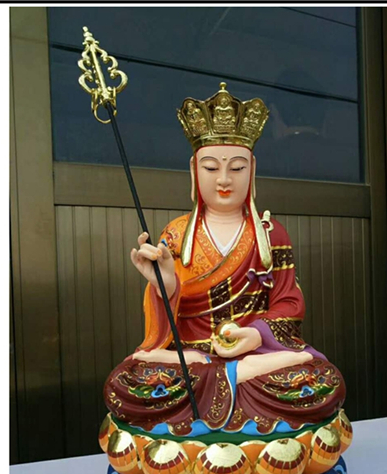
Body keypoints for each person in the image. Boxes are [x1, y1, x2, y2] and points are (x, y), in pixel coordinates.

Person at [104, 83, 346, 437]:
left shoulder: (270, 234)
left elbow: (289, 304)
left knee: (323, 380)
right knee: (126, 382)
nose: (223, 180)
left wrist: (255, 335)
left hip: (256, 357)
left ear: (252, 169)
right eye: (210, 167)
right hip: (191, 357)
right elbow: (164, 323)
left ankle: (229, 377)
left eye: (236, 168)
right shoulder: (176, 235)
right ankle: (229, 378)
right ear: (194, 169)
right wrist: (165, 286)